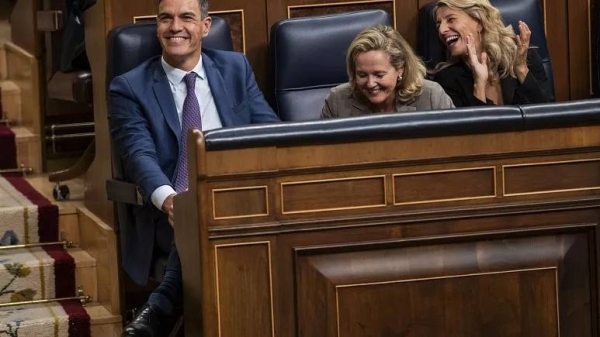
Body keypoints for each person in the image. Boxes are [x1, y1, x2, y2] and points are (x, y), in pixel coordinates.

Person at [108, 0, 280, 335]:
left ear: (205, 26)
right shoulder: (129, 87)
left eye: (186, 17)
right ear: (156, 26)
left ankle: (161, 308)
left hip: (242, 195)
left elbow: (268, 132)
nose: (175, 27)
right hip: (171, 212)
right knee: (197, 211)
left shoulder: (235, 69)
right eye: (165, 19)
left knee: (217, 206)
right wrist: (173, 201)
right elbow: (138, 155)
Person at [432, 0, 552, 107]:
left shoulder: (526, 58)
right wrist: (479, 84)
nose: (442, 30)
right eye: (438, 24)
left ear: (479, 22)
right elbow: (472, 129)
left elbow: (548, 118)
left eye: (451, 19)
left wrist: (521, 69)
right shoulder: (447, 79)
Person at [321, 25, 454, 119]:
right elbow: (320, 153)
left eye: (379, 75)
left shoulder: (431, 97)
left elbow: (457, 145)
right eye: (362, 75)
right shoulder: (337, 101)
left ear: (400, 69)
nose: (370, 83)